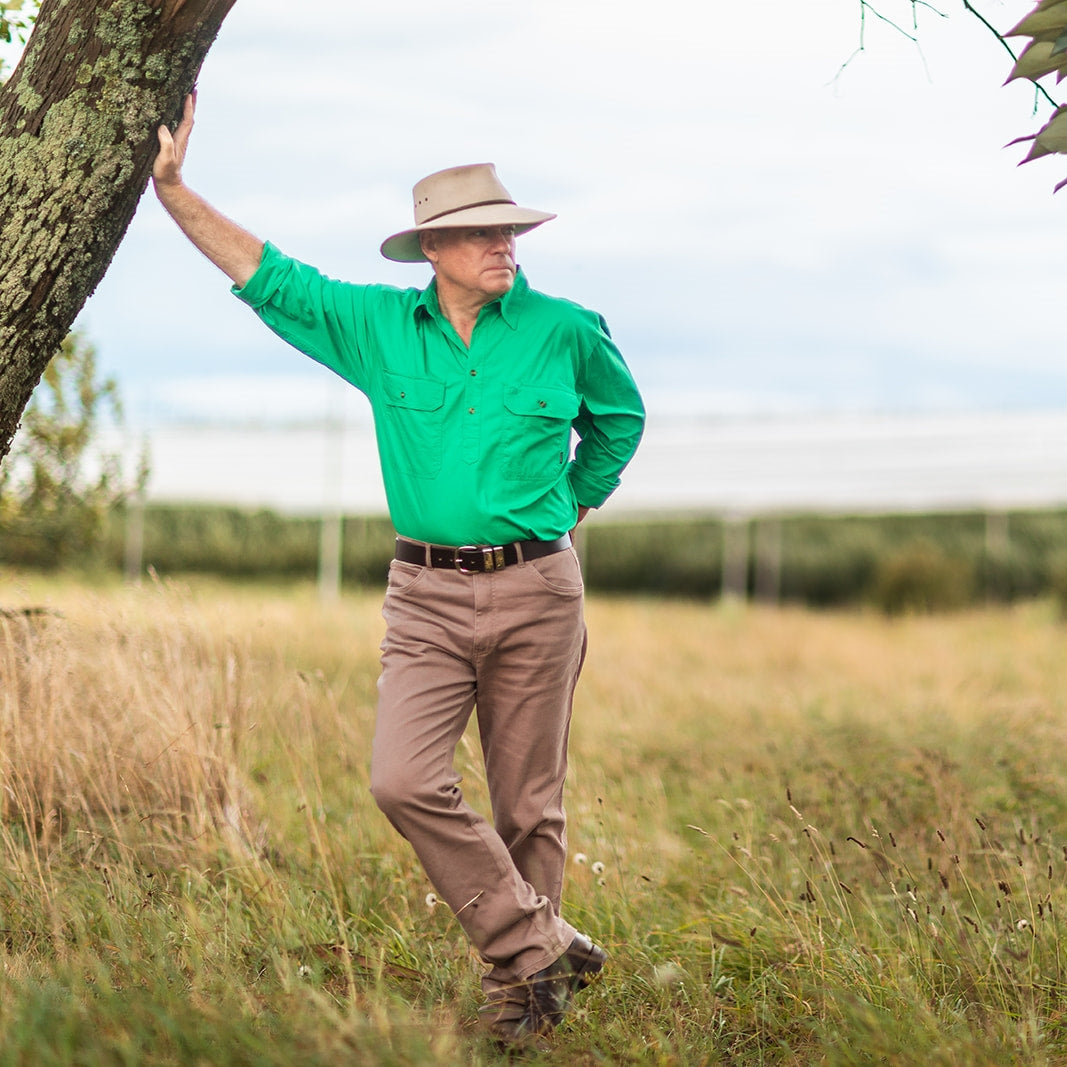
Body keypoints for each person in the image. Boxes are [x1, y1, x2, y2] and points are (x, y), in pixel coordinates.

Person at [152, 93, 645, 1045]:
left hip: (540, 587)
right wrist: (174, 192)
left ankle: (524, 999)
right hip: (423, 594)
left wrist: (575, 502)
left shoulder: (568, 329)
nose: (503, 245)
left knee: (528, 803)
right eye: (478, 235)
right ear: (430, 250)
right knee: (402, 779)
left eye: (508, 230)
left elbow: (618, 419)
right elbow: (272, 278)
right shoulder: (377, 328)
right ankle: (540, 943)